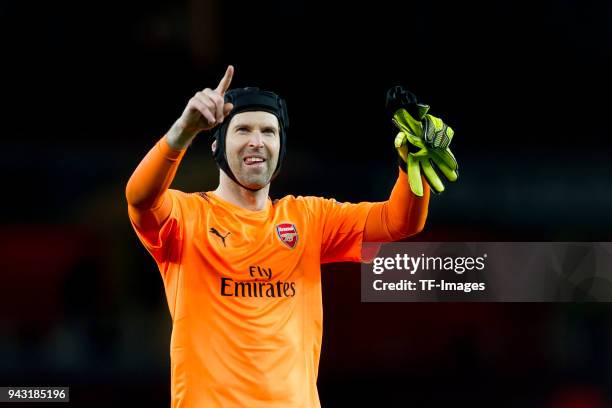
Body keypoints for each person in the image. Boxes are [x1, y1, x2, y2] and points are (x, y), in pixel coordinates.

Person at [125, 65, 436, 407]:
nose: (257, 141)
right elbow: (139, 198)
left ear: (281, 146)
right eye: (242, 129)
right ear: (216, 145)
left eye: (269, 131)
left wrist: (411, 167)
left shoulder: (309, 218)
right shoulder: (187, 217)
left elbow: (399, 222)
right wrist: (182, 132)